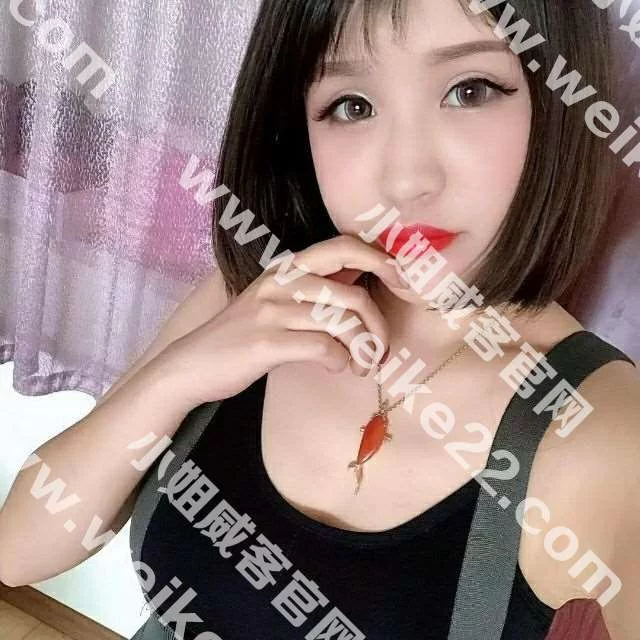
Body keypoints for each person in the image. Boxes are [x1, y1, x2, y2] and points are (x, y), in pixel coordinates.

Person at [0, 0, 637, 639]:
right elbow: (18, 550)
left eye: (470, 91)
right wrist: (179, 375)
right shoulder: (260, 291)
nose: (405, 180)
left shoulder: (597, 428)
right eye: (352, 106)